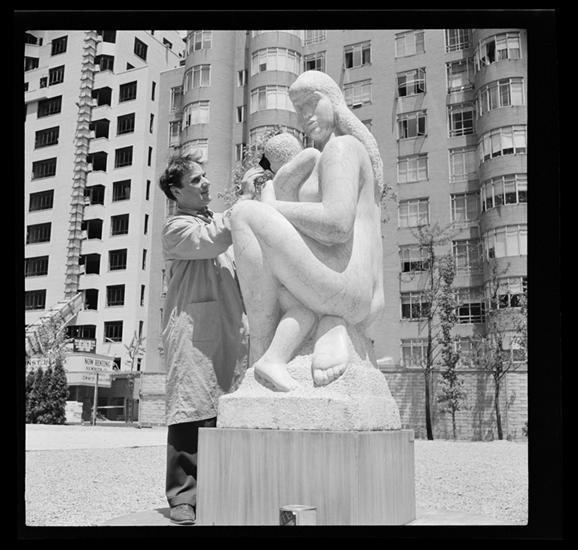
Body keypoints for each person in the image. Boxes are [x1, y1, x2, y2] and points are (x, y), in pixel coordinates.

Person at [230, 70, 385, 393]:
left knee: (244, 214)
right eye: (300, 110)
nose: (306, 116)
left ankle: (260, 352)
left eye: (312, 104)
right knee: (286, 288)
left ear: (334, 101)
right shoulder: (326, 157)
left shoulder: (342, 148)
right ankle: (329, 325)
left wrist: (270, 207)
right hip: (348, 290)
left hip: (347, 285)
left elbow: (336, 224)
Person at [158, 150, 248, 525]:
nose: (206, 183)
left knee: (223, 412)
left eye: (204, 176)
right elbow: (212, 239)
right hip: (193, 331)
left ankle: (217, 492)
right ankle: (182, 496)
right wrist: (246, 202)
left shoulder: (217, 221)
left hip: (228, 327)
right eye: (196, 180)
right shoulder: (176, 228)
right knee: (191, 410)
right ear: (177, 192)